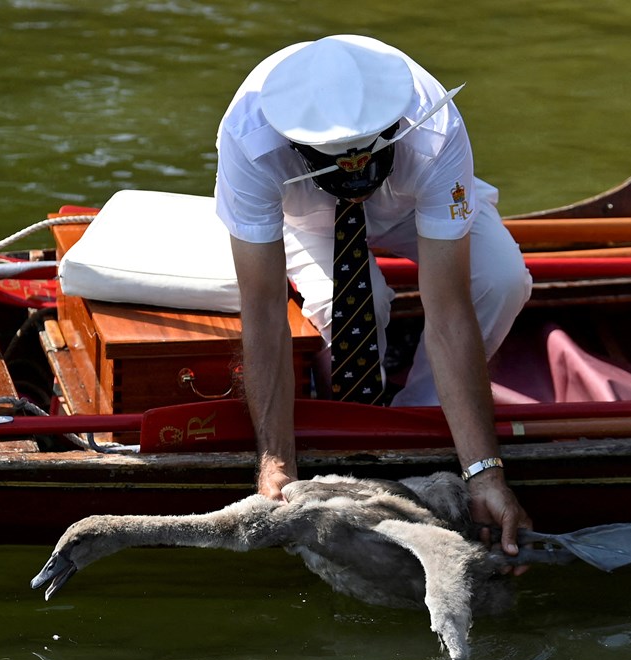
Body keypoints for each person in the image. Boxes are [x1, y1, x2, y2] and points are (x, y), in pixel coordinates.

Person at [214, 34, 533, 564]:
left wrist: (486, 472)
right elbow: (264, 307)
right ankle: (346, 406)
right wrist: (274, 461)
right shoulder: (248, 138)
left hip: (412, 202)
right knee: (362, 310)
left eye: (370, 161)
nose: (357, 179)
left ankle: (419, 420)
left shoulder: (435, 127)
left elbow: (448, 308)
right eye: (344, 167)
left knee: (502, 280)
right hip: (306, 215)